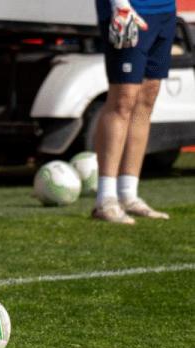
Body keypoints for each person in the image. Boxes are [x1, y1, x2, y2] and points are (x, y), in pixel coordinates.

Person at [92, 0, 176, 224]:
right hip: (129, 9)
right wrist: (119, 5)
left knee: (148, 95)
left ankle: (128, 194)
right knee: (123, 97)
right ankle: (106, 199)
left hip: (164, 11)